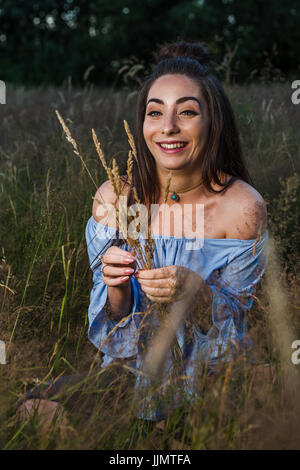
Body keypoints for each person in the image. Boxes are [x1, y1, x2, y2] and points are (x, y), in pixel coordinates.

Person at [17, 40, 268, 428]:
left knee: (217, 421)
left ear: (212, 121)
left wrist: (196, 292)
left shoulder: (240, 209)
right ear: (143, 123)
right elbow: (116, 322)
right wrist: (115, 284)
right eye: (155, 113)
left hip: (208, 375)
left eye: (187, 111)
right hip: (131, 372)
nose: (168, 127)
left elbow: (231, 328)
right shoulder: (122, 199)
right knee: (35, 408)